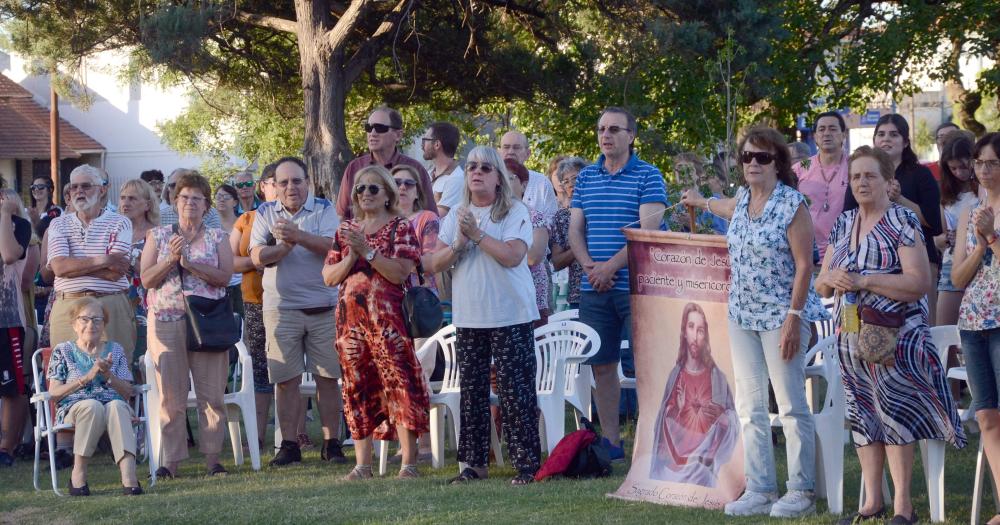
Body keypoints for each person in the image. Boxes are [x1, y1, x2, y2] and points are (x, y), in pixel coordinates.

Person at [682, 126, 829, 518]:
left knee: (792, 405)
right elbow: (723, 206)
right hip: (741, 316)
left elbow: (804, 267)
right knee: (749, 407)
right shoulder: (745, 199)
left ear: (778, 163)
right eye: (747, 157)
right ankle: (761, 487)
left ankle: (801, 490)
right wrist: (698, 201)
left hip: (782, 317)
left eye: (761, 157)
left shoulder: (792, 204)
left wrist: (794, 319)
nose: (752, 164)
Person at [817, 145, 965, 525]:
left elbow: (919, 282)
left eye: (870, 175)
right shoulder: (843, 223)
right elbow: (820, 285)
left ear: (888, 181)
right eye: (856, 176)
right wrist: (831, 278)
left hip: (897, 336)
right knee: (862, 413)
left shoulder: (903, 222)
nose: (862, 182)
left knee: (893, 411)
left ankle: (903, 506)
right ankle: (871, 501)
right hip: (850, 334)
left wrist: (866, 280)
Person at [428, 145, 542, 486]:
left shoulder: (514, 210)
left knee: (516, 392)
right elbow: (433, 264)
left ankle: (527, 465)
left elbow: (513, 256)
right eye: (471, 167)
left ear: (497, 179)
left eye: (485, 168)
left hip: (511, 314)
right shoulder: (456, 215)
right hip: (469, 318)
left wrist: (477, 234)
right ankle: (473, 465)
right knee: (472, 393)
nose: (476, 172)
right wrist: (459, 243)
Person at [569, 107, 668, 461]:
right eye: (600, 129)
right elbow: (575, 229)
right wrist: (590, 267)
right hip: (596, 286)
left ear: (631, 135)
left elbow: (649, 232)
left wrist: (609, 267)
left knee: (647, 363)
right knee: (602, 363)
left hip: (637, 285)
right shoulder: (585, 178)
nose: (605, 135)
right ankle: (611, 442)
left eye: (614, 129)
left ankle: (652, 440)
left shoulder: (649, 175)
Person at [322, 165, 430, 480]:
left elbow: (399, 272)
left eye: (373, 188)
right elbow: (329, 277)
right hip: (350, 326)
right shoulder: (345, 231)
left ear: (387, 195)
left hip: (389, 323)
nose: (365, 194)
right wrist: (351, 255)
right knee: (357, 389)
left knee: (400, 385)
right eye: (360, 189)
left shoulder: (400, 227)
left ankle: (409, 464)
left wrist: (367, 251)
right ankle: (362, 466)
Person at [249, 157, 345, 466]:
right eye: (284, 182)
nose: (291, 187)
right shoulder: (264, 212)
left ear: (308, 182)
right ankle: (288, 445)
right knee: (285, 379)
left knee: (328, 378)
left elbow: (335, 247)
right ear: (273, 187)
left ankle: (331, 443)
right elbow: (257, 256)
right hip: (282, 309)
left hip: (324, 307)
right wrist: (283, 248)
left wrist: (296, 236)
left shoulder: (324, 208)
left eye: (297, 181)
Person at [141, 171, 234, 478]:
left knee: (211, 395)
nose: (190, 203)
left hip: (207, 322)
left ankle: (212, 460)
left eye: (197, 198)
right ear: (174, 200)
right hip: (166, 322)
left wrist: (190, 265)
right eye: (184, 197)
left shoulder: (218, 237)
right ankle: (171, 462)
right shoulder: (158, 235)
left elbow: (224, 278)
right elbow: (146, 280)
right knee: (171, 396)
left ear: (206, 205)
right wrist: (170, 259)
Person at [844, 114, 943, 325]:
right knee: (860, 332)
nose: (886, 139)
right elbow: (847, 218)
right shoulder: (861, 173)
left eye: (893, 134)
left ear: (905, 142)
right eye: (881, 134)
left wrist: (899, 199)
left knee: (920, 325)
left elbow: (934, 224)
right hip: (866, 267)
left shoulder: (920, 175)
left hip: (917, 265)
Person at [44, 297, 143, 495]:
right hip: (75, 408)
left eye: (97, 320)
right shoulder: (62, 351)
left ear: (104, 324)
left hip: (113, 405)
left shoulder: (115, 350)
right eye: (85, 319)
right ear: (73, 324)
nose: (91, 324)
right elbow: (54, 393)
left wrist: (108, 375)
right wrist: (88, 377)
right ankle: (78, 474)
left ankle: (129, 477)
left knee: (116, 406)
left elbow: (127, 391)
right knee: (92, 406)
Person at [951, 132, 1000, 525]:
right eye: (979, 162)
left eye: (992, 163)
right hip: (973, 321)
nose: (983, 170)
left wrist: (993, 236)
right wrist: (981, 245)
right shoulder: (970, 209)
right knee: (986, 416)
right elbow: (958, 276)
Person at [47, 165, 135, 358]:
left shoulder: (121, 222)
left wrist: (74, 266)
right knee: (66, 373)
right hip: (68, 305)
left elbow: (116, 272)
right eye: (74, 187)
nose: (78, 191)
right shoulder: (58, 223)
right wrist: (104, 259)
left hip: (110, 305)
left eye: (86, 186)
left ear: (102, 190)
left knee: (115, 372)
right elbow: (59, 268)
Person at [650, 302, 739, 487]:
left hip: (704, 467)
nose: (695, 336)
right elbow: (662, 426)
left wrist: (721, 418)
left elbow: (733, 421)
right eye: (691, 327)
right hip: (673, 468)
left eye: (700, 330)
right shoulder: (676, 375)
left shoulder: (717, 377)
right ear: (684, 331)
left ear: (705, 334)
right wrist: (678, 410)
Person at [231, 162, 278, 449]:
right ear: (264, 186)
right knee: (261, 368)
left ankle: (294, 434)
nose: (281, 187)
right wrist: (260, 259)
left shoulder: (301, 217)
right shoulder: (246, 220)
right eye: (274, 182)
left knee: (292, 369)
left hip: (292, 301)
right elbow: (230, 262)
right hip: (256, 302)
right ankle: (258, 435)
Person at [336, 106, 435, 220]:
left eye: (380, 128)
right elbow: (342, 215)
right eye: (369, 127)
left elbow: (431, 217)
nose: (372, 133)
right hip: (359, 235)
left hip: (404, 236)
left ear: (398, 135)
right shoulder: (354, 167)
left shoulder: (415, 169)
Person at [0, 186, 33, 468]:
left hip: (7, 319)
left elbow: (9, 255)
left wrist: (4, 215)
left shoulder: (19, 225)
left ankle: (7, 448)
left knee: (13, 387)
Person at [793, 111, 850, 260]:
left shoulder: (855, 167)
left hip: (845, 253)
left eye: (833, 129)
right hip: (806, 254)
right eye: (822, 129)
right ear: (815, 137)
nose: (827, 133)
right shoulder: (800, 168)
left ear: (843, 135)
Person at [935, 131, 978, 327]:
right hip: (952, 260)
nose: (959, 173)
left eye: (963, 166)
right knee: (945, 333)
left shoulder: (984, 188)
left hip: (981, 260)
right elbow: (942, 234)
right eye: (953, 168)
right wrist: (942, 239)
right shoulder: (947, 192)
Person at [118, 179, 159, 372]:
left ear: (147, 204)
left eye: (132, 199)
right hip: (117, 301)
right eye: (123, 198)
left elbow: (159, 271)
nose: (126, 203)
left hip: (145, 303)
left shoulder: (156, 233)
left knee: (144, 361)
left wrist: (132, 264)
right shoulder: (114, 230)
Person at [505, 158, 551, 325]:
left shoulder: (535, 217)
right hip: (500, 302)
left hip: (531, 301)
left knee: (535, 348)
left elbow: (534, 257)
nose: (503, 183)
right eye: (500, 177)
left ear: (524, 185)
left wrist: (501, 253)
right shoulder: (492, 218)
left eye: (510, 178)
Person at [391, 165, 439, 295]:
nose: (402, 187)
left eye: (409, 183)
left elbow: (430, 263)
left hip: (419, 299)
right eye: (396, 182)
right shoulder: (380, 221)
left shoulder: (427, 218)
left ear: (417, 193)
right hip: (387, 299)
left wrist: (385, 261)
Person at [550, 156, 587, 309]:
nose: (571, 184)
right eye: (565, 181)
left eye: (575, 178)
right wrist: (579, 244)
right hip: (578, 294)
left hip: (612, 286)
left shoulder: (601, 208)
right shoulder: (562, 217)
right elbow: (556, 262)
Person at [500, 131, 559, 223]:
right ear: (499, 152)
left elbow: (553, 222)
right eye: (506, 147)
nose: (510, 152)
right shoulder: (490, 180)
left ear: (528, 153)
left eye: (516, 147)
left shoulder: (542, 183)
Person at [421, 121, 464, 218]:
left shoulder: (456, 179)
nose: (422, 146)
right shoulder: (427, 174)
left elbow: (436, 215)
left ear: (437, 144)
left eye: (425, 140)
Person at [215, 184, 244, 319]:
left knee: (243, 328)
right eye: (218, 196)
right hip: (217, 285)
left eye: (226, 197)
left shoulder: (244, 223)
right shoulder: (209, 226)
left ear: (235, 202)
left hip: (241, 284)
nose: (221, 200)